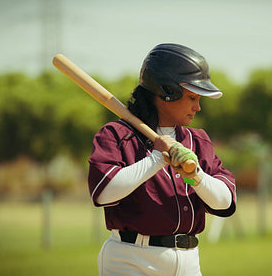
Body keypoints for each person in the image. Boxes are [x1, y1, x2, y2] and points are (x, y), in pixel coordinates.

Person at [87, 43, 237, 276]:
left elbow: (224, 202)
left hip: (188, 260)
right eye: (192, 97)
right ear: (167, 91)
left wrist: (196, 176)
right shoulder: (117, 135)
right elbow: (103, 192)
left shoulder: (197, 140)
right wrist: (158, 158)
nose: (198, 107)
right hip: (131, 257)